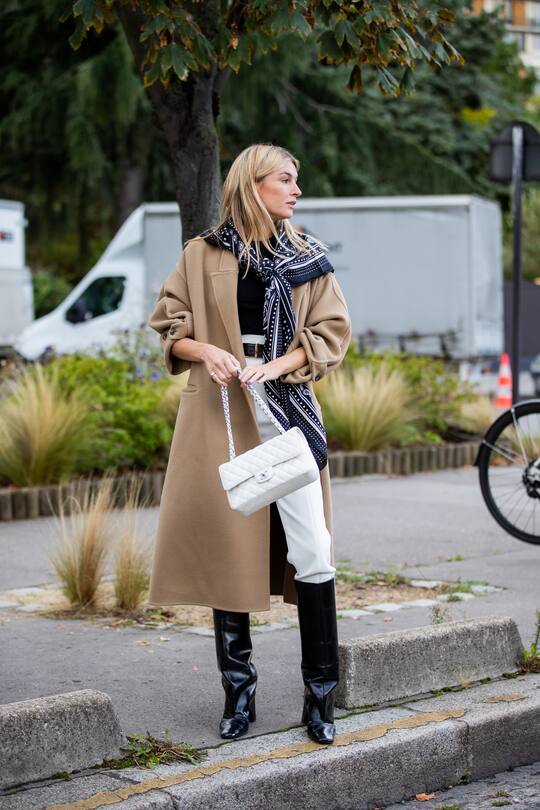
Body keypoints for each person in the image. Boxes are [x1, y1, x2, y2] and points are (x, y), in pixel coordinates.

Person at [147, 143, 352, 745]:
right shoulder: (203, 252)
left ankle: (321, 700)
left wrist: (279, 365)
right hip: (222, 414)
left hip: (286, 411)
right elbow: (169, 322)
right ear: (251, 184)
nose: (296, 190)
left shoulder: (308, 255)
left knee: (312, 549)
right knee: (226, 554)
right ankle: (239, 694)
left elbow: (331, 333)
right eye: (284, 180)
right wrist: (205, 350)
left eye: (297, 179)